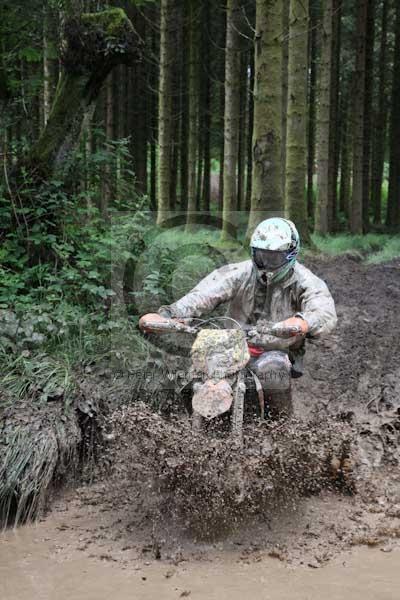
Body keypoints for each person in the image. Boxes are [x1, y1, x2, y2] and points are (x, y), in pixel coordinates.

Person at [139, 217, 337, 417]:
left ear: (290, 255)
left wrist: (304, 322)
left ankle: (282, 429)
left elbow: (324, 310)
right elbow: (204, 294)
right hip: (231, 345)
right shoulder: (239, 272)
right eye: (262, 256)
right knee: (195, 374)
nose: (267, 263)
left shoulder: (305, 281)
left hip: (277, 348)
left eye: (274, 257)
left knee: (272, 370)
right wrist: (170, 314)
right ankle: (189, 427)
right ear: (253, 253)